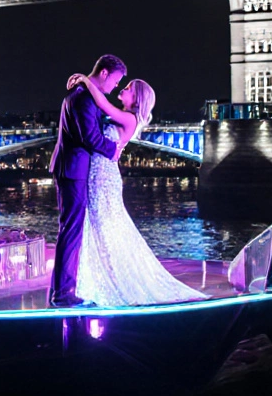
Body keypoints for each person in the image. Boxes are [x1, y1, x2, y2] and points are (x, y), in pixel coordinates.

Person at [65, 73, 206, 306]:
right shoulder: (122, 117)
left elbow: (103, 104)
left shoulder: (130, 119)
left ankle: (115, 280)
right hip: (97, 174)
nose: (123, 88)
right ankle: (102, 279)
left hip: (104, 179)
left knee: (106, 228)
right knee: (100, 227)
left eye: (129, 87)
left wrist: (86, 80)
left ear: (137, 98)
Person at [47, 54, 125, 307]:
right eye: (115, 81)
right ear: (104, 73)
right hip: (73, 170)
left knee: (70, 230)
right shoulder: (83, 98)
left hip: (72, 169)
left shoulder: (82, 94)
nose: (116, 87)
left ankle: (59, 290)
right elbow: (89, 136)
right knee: (71, 230)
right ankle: (63, 294)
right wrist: (113, 149)